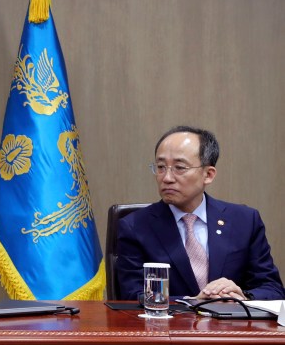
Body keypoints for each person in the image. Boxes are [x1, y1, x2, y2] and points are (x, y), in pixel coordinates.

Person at [116, 126, 285, 301]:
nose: (166, 178)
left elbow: (272, 288)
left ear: (208, 175)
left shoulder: (245, 221)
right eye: (160, 167)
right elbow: (132, 296)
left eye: (179, 167)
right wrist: (194, 302)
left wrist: (242, 297)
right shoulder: (135, 227)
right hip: (169, 327)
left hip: (232, 327)